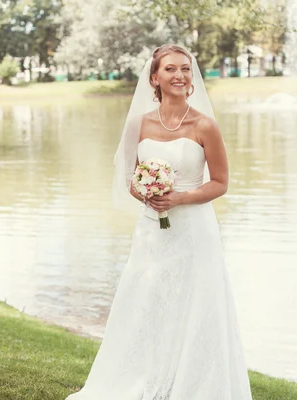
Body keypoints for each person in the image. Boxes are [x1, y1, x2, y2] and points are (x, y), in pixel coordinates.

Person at [66, 44, 253, 399]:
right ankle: (146, 378)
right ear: (155, 77)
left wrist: (179, 197)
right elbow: (129, 178)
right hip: (152, 229)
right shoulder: (139, 124)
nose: (180, 75)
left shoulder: (204, 125)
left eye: (185, 69)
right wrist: (147, 194)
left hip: (196, 231)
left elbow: (220, 183)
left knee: (197, 304)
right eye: (170, 69)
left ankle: (195, 385)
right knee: (148, 301)